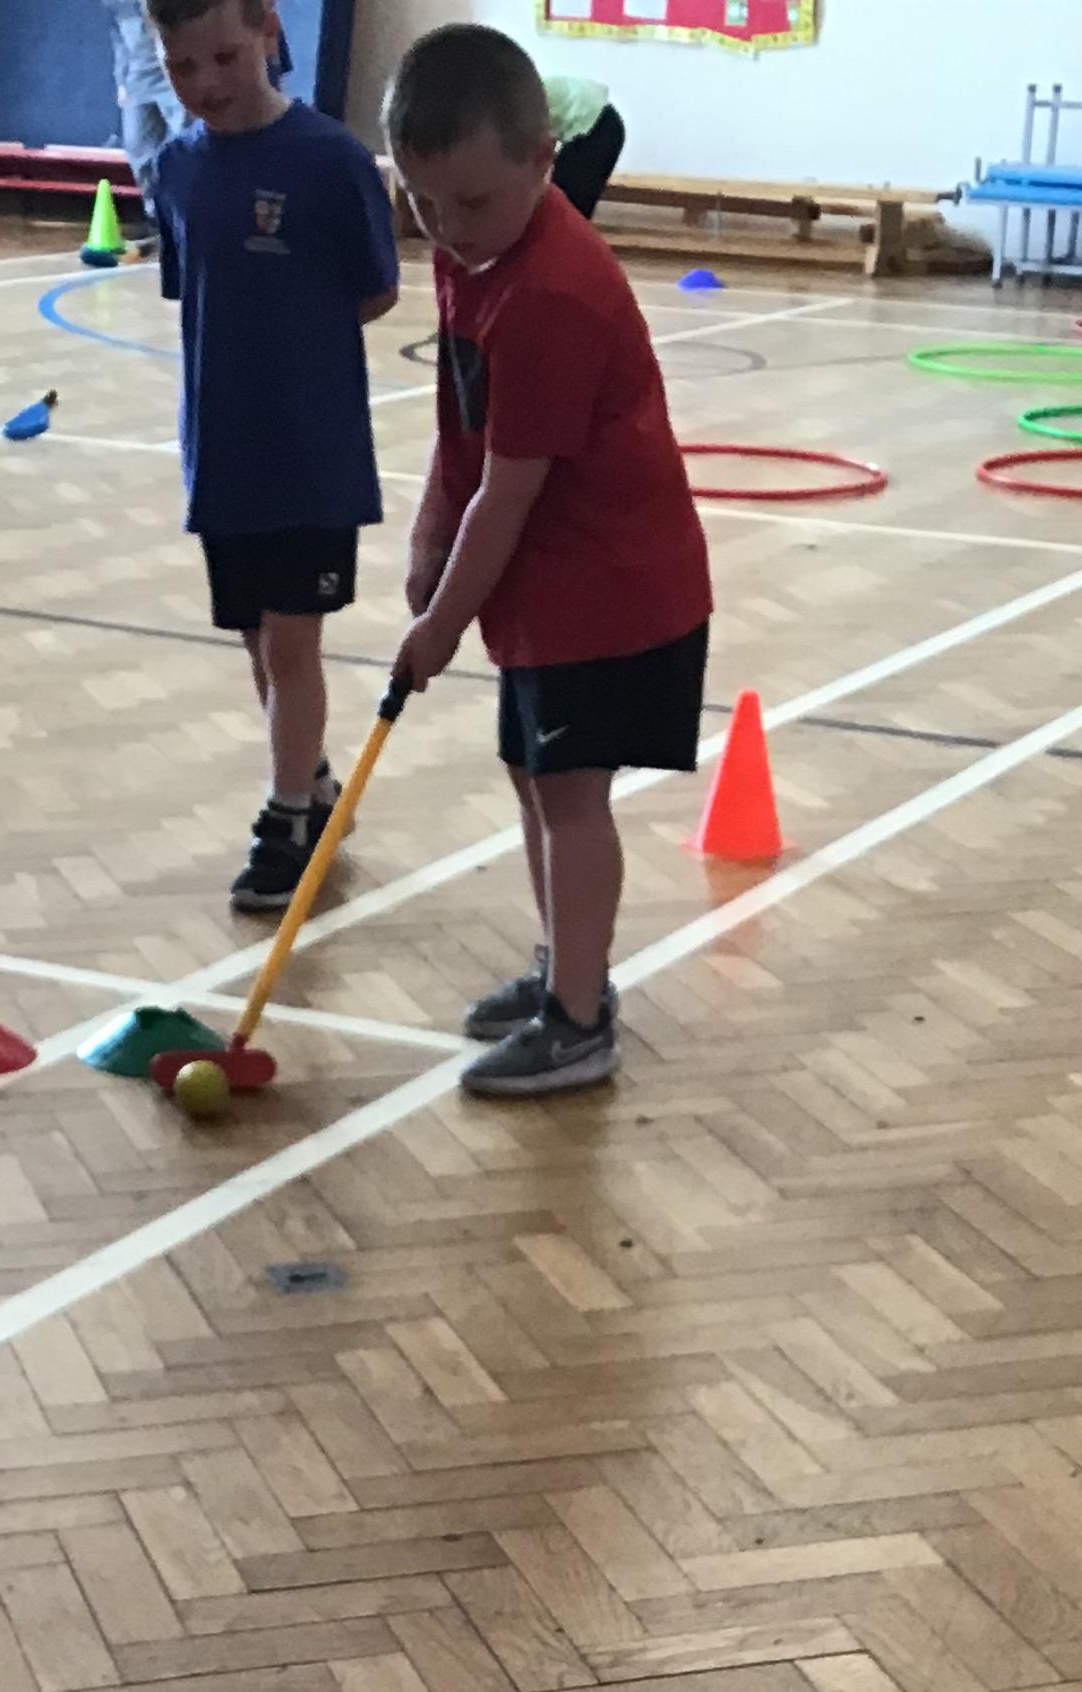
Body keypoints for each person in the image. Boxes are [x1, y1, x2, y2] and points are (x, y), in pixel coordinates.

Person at [387, 25, 712, 1098]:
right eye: (423, 203)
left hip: (610, 589)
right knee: (536, 782)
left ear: (543, 160)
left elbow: (510, 487)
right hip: (542, 585)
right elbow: (463, 425)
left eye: (471, 203)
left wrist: (438, 628)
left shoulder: (552, 293)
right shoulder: (472, 250)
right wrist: (428, 535)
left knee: (571, 797)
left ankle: (579, 1019)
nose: (446, 228)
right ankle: (563, 968)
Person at [147, 0, 399, 913]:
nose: (206, 83)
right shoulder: (175, 169)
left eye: (225, 56)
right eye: (183, 68)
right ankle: (316, 787)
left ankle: (289, 819)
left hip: (311, 453)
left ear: (269, 33)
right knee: (260, 639)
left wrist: (300, 348)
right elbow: (193, 287)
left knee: (293, 642)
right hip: (223, 450)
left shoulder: (330, 161)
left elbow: (375, 290)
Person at [100, 0, 180, 211]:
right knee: (137, 145)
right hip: (138, 79)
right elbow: (118, 38)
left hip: (173, 74)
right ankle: (154, 213)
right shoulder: (116, 4)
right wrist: (121, 81)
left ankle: (184, 210)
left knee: (184, 141)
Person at [543, 72, 624, 220]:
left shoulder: (518, 99)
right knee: (560, 203)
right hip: (601, 123)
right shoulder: (518, 89)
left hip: (599, 127)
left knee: (567, 205)